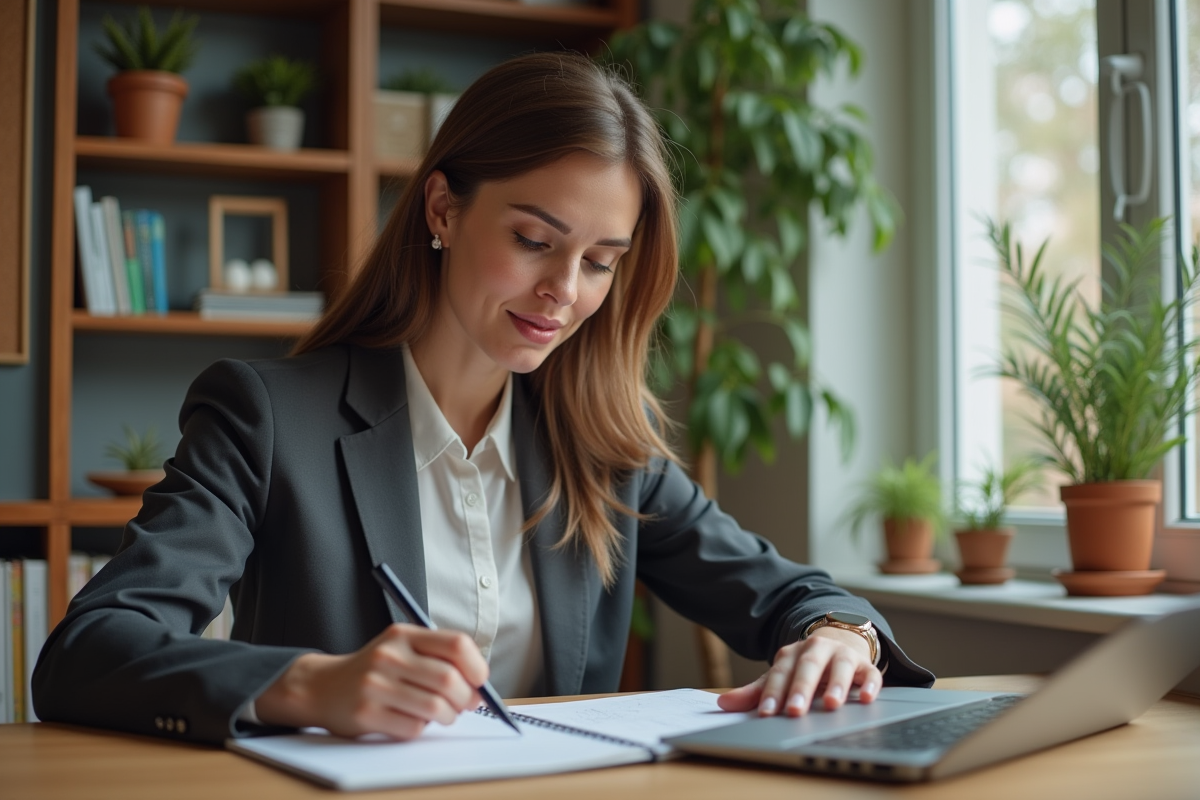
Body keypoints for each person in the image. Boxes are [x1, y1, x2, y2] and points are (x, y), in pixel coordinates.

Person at [33, 52, 932, 746]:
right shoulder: (266, 418)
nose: (564, 291)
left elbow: (796, 594)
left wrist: (840, 636)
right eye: (535, 240)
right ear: (442, 209)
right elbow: (90, 651)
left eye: (601, 262)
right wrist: (309, 684)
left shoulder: (605, 452)